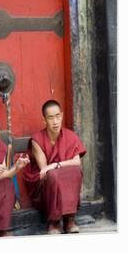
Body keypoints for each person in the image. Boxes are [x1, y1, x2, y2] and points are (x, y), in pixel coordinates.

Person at [23, 100, 87, 235]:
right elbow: (45, 170)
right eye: (51, 118)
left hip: (63, 179)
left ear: (62, 115)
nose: (55, 121)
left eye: (58, 116)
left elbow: (77, 162)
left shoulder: (70, 136)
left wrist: (56, 164)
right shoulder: (37, 140)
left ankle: (69, 219)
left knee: (75, 171)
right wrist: (53, 167)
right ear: (44, 120)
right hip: (46, 186)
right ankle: (55, 222)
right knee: (53, 175)